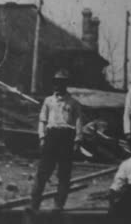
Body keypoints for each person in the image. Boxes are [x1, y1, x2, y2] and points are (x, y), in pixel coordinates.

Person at [28, 69, 83, 212]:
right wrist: (41, 137)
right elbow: (42, 120)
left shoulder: (74, 103)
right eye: (56, 83)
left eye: (62, 83)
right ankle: (34, 204)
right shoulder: (48, 101)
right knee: (43, 171)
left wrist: (78, 139)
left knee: (64, 173)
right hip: (52, 136)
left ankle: (59, 205)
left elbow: (78, 121)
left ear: (66, 84)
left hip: (67, 136)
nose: (58, 85)